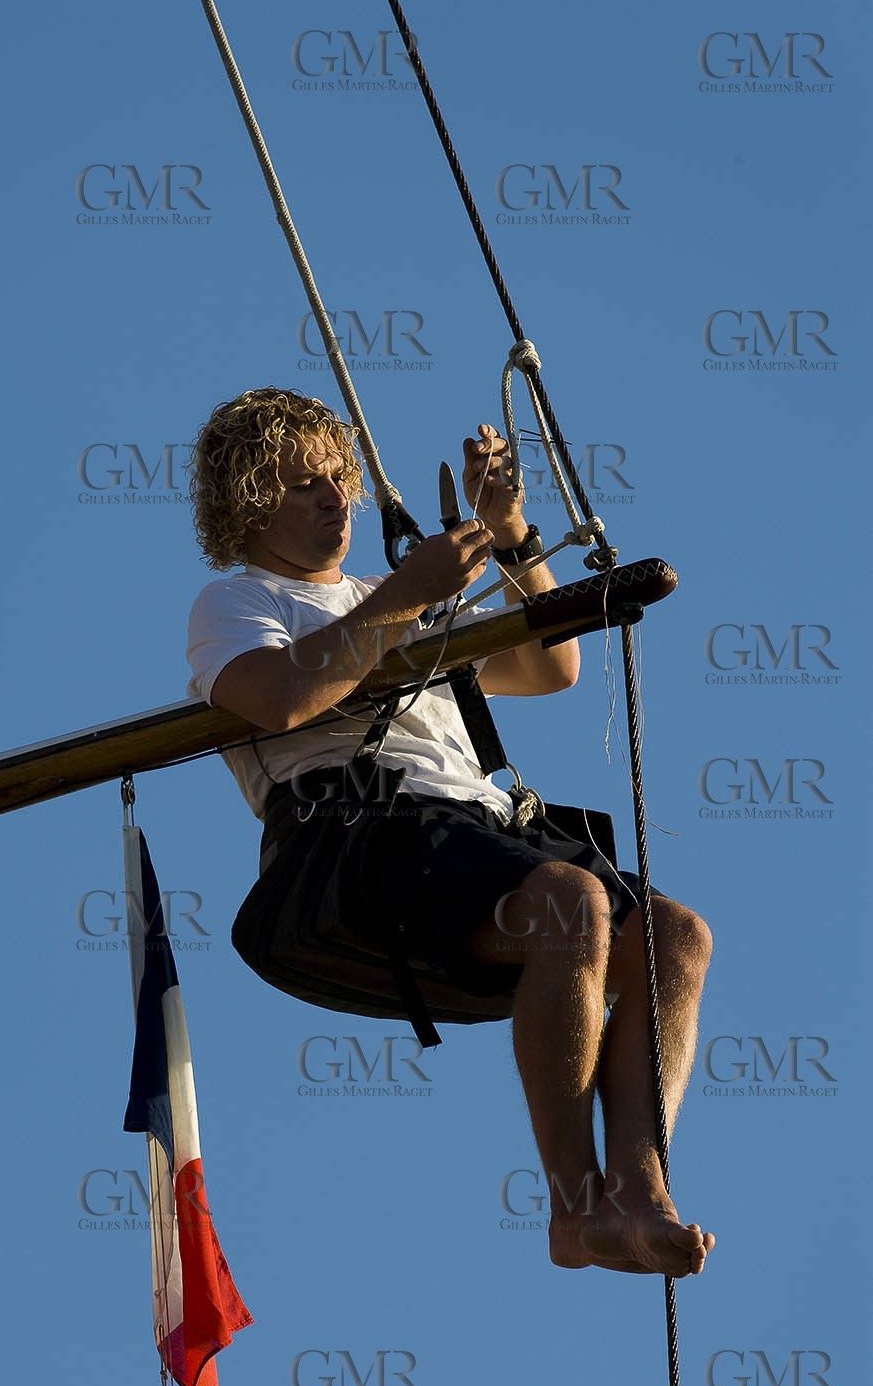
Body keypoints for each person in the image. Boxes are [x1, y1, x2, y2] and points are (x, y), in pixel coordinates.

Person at [186, 387, 714, 1279]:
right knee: (570, 905)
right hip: (363, 836)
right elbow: (279, 699)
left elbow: (547, 667)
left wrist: (508, 533)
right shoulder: (236, 602)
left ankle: (639, 1189)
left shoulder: (384, 593)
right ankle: (572, 1210)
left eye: (337, 481)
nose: (333, 499)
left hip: (477, 829)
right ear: (247, 502)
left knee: (674, 936)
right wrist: (409, 594)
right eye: (302, 485)